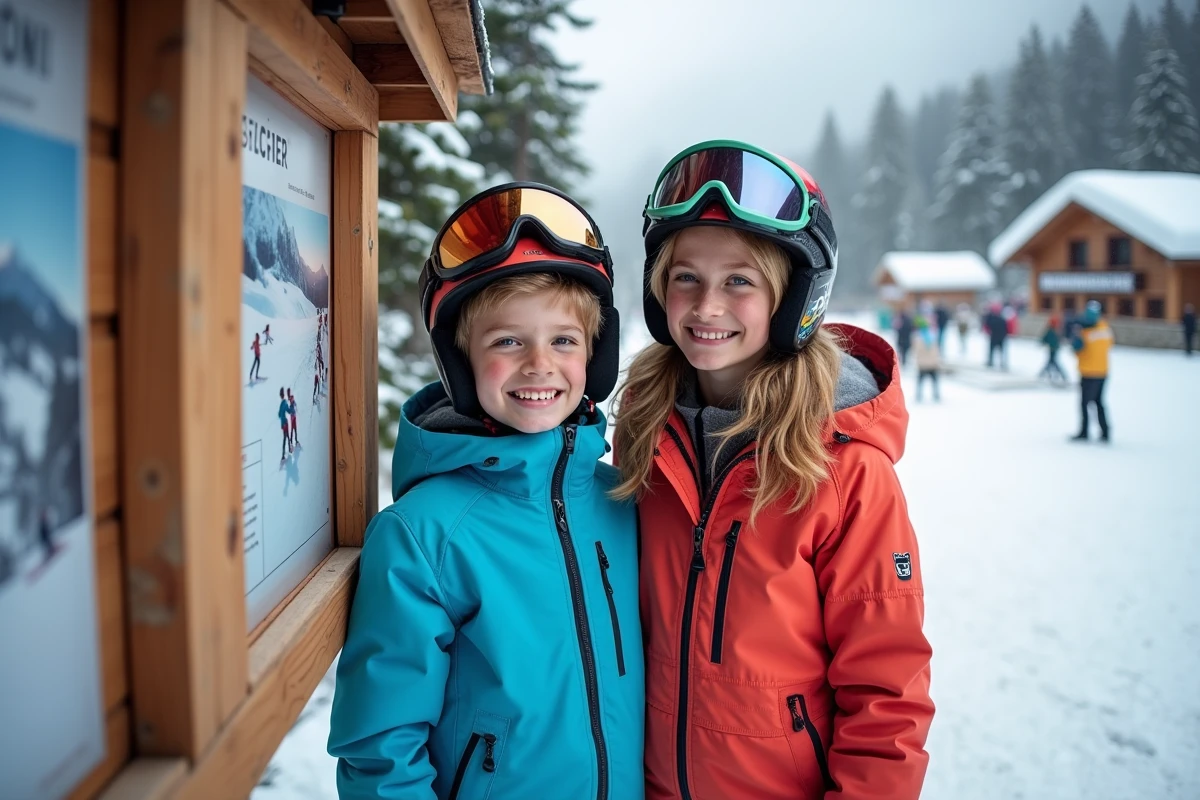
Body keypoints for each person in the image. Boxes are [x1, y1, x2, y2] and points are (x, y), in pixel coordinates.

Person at [615, 140, 933, 800]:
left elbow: (887, 696)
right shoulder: (644, 429)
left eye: (739, 281)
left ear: (794, 297)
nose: (706, 307)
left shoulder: (848, 471)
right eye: (685, 277)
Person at [328, 183, 645, 799]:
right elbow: (381, 745)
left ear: (594, 355)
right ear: (461, 359)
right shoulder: (423, 534)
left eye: (563, 340)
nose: (538, 364)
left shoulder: (624, 502)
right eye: (507, 341)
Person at [1071, 299, 1113, 442]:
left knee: (1085, 403)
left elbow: (1078, 350)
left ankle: (1084, 432)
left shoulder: (1086, 331)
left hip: (1089, 372)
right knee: (1099, 402)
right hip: (1103, 372)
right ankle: (1105, 431)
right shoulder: (1105, 328)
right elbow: (1109, 345)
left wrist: (1077, 337)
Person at [912, 315, 941, 401]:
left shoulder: (918, 337)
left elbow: (915, 350)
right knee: (935, 381)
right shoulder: (933, 336)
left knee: (920, 381)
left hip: (922, 364)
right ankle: (936, 395)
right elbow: (937, 350)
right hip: (933, 363)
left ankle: (919, 395)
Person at [1039, 315, 1067, 384]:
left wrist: (1042, 343)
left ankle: (1045, 373)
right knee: (1051, 361)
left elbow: (1045, 338)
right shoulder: (1056, 331)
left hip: (1053, 349)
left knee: (1052, 361)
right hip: (1054, 348)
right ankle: (1045, 373)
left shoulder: (1051, 331)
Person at [982, 302, 1008, 370]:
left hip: (996, 336)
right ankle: (997, 362)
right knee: (999, 350)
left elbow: (987, 325)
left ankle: (994, 362)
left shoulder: (992, 318)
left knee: (995, 350)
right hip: (999, 336)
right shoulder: (1001, 317)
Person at [277, 387, 290, 460]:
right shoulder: (285, 403)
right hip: (285, 422)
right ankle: (284, 454)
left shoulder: (281, 404)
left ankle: (285, 452)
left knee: (286, 436)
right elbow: (289, 411)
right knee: (286, 437)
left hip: (282, 424)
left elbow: (279, 415)